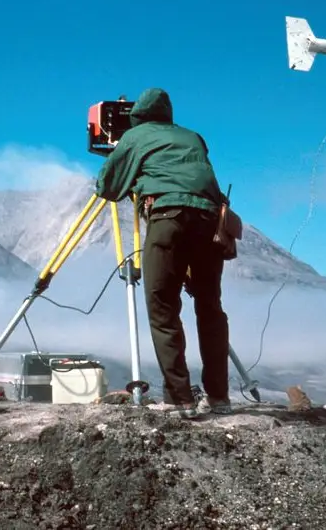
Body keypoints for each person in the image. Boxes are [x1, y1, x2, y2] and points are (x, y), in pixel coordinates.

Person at [94, 87, 232, 419]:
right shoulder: (193, 137)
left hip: (170, 218)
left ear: (137, 116)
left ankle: (179, 398)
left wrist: (121, 157)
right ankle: (219, 397)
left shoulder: (135, 137)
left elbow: (107, 188)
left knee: (162, 306)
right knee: (210, 307)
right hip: (211, 222)